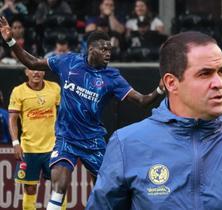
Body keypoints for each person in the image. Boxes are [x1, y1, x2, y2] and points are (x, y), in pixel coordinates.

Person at [86, 31, 222, 210]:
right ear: (171, 83)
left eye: (220, 72)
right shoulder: (126, 144)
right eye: (205, 74)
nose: (219, 83)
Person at [0, 17, 164, 210]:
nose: (108, 53)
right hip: (66, 138)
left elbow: (142, 101)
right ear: (90, 49)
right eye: (103, 49)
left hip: (93, 141)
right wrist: (11, 41)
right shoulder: (68, 62)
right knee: (58, 187)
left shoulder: (113, 77)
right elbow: (32, 62)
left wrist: (159, 90)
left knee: (108, 189)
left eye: (110, 49)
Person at [8, 68, 65, 210]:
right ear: (26, 72)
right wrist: (15, 143)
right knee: (30, 189)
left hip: (53, 148)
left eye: (39, 69)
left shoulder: (54, 88)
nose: (36, 73)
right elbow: (12, 119)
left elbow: (64, 114)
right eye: (32, 69)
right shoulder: (18, 91)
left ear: (44, 72)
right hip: (29, 149)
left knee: (59, 189)